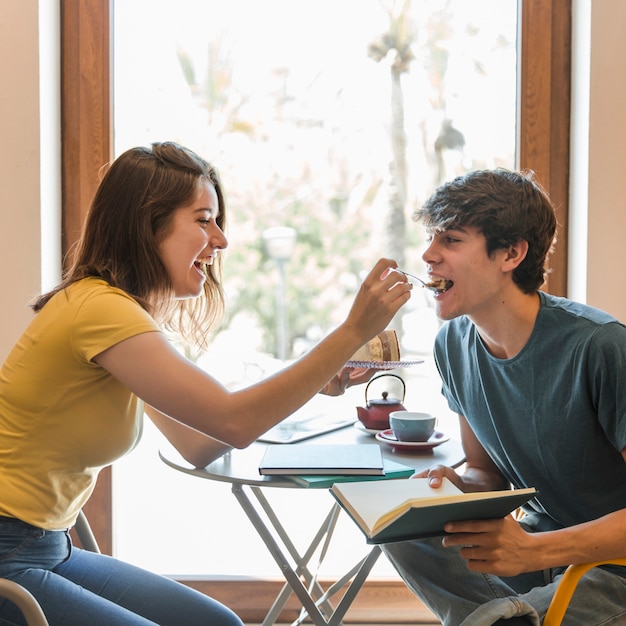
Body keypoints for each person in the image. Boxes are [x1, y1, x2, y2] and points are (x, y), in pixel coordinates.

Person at [0, 141, 412, 626]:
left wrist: (318, 380)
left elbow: (200, 442)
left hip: (46, 546)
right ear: (146, 225)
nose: (221, 240)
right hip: (11, 553)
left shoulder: (119, 315)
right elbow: (234, 422)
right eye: (203, 219)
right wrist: (350, 333)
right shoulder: (100, 311)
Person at [382, 168, 626, 625]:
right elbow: (484, 472)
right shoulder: (452, 345)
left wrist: (531, 550)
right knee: (402, 531)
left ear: (511, 254)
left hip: (612, 567)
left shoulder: (600, 346)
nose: (427, 255)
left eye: (451, 240)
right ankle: (508, 616)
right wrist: (454, 490)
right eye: (432, 238)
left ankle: (504, 617)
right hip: (539, 555)